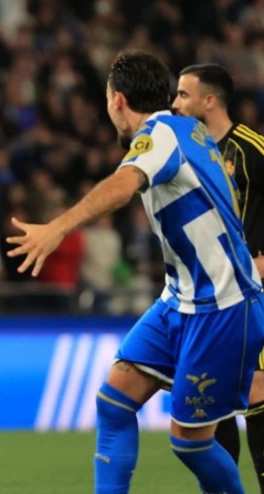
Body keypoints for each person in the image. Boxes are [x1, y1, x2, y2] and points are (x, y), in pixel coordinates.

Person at [6, 50, 264, 494]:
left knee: (190, 444)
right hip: (180, 299)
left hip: (222, 306)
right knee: (113, 402)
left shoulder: (160, 134)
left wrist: (56, 229)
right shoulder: (190, 130)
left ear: (117, 100)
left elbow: (123, 186)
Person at [172, 63, 264, 492]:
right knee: (218, 400)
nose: (175, 104)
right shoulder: (188, 156)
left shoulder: (252, 151)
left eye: (184, 95)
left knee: (259, 386)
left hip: (255, 291)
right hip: (210, 297)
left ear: (210, 100)